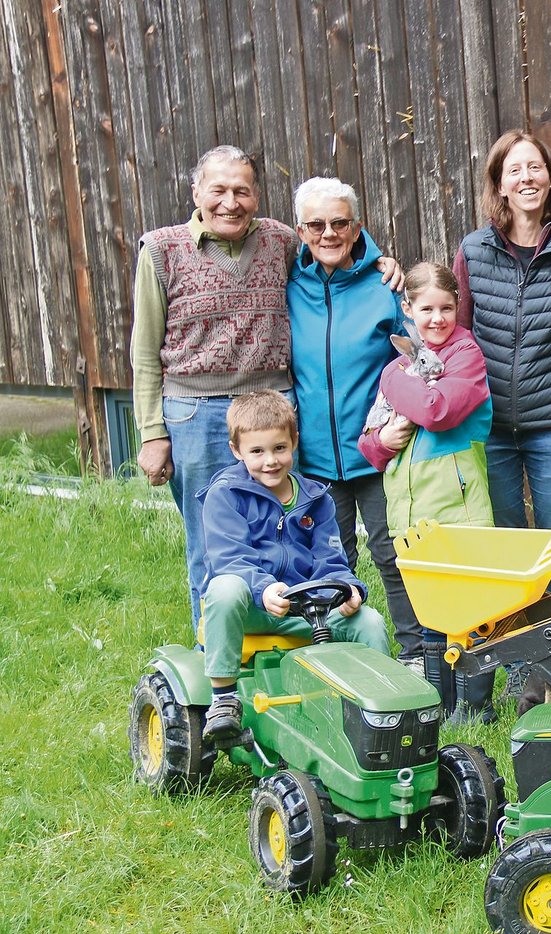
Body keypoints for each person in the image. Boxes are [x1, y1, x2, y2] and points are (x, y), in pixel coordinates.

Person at [130, 145, 400, 633]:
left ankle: (300, 644)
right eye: (218, 190)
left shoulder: (279, 241)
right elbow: (144, 351)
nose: (230, 202)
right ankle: (218, 661)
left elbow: (338, 239)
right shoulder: (160, 250)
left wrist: (383, 262)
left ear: (257, 197)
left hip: (276, 409)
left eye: (242, 190)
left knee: (289, 537)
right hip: (196, 413)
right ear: (196, 193)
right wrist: (152, 430)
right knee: (211, 541)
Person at [286, 176, 423, 668]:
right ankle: (337, 661)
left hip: (379, 452)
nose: (328, 234)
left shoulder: (385, 286)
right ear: (300, 230)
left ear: (357, 226)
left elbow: (422, 359)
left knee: (395, 555)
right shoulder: (289, 286)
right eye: (316, 224)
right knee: (329, 561)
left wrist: (397, 423)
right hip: (316, 461)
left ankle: (415, 655)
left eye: (339, 222)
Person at [199, 390, 389, 742]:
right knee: (224, 588)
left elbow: (332, 561)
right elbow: (230, 558)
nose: (270, 461)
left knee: (370, 622)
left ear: (294, 442)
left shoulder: (317, 499)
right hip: (252, 609)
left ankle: (379, 713)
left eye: (279, 449)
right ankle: (223, 699)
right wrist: (264, 588)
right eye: (257, 452)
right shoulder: (225, 495)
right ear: (237, 451)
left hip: (307, 610)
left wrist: (348, 590)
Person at [452, 130, 551, 589]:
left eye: (536, 168)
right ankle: (517, 658)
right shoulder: (473, 250)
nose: (527, 177)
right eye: (515, 170)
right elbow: (460, 334)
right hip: (490, 428)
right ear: (500, 185)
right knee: (506, 551)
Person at [358, 262, 495, 723]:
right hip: (411, 515)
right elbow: (368, 442)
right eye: (426, 309)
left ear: (458, 307)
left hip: (459, 511)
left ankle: (476, 707)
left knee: (470, 610)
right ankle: (443, 703)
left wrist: (395, 380)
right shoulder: (403, 362)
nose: (437, 319)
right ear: (407, 309)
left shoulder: (465, 357)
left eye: (446, 308)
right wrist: (383, 442)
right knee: (431, 612)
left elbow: (437, 410)